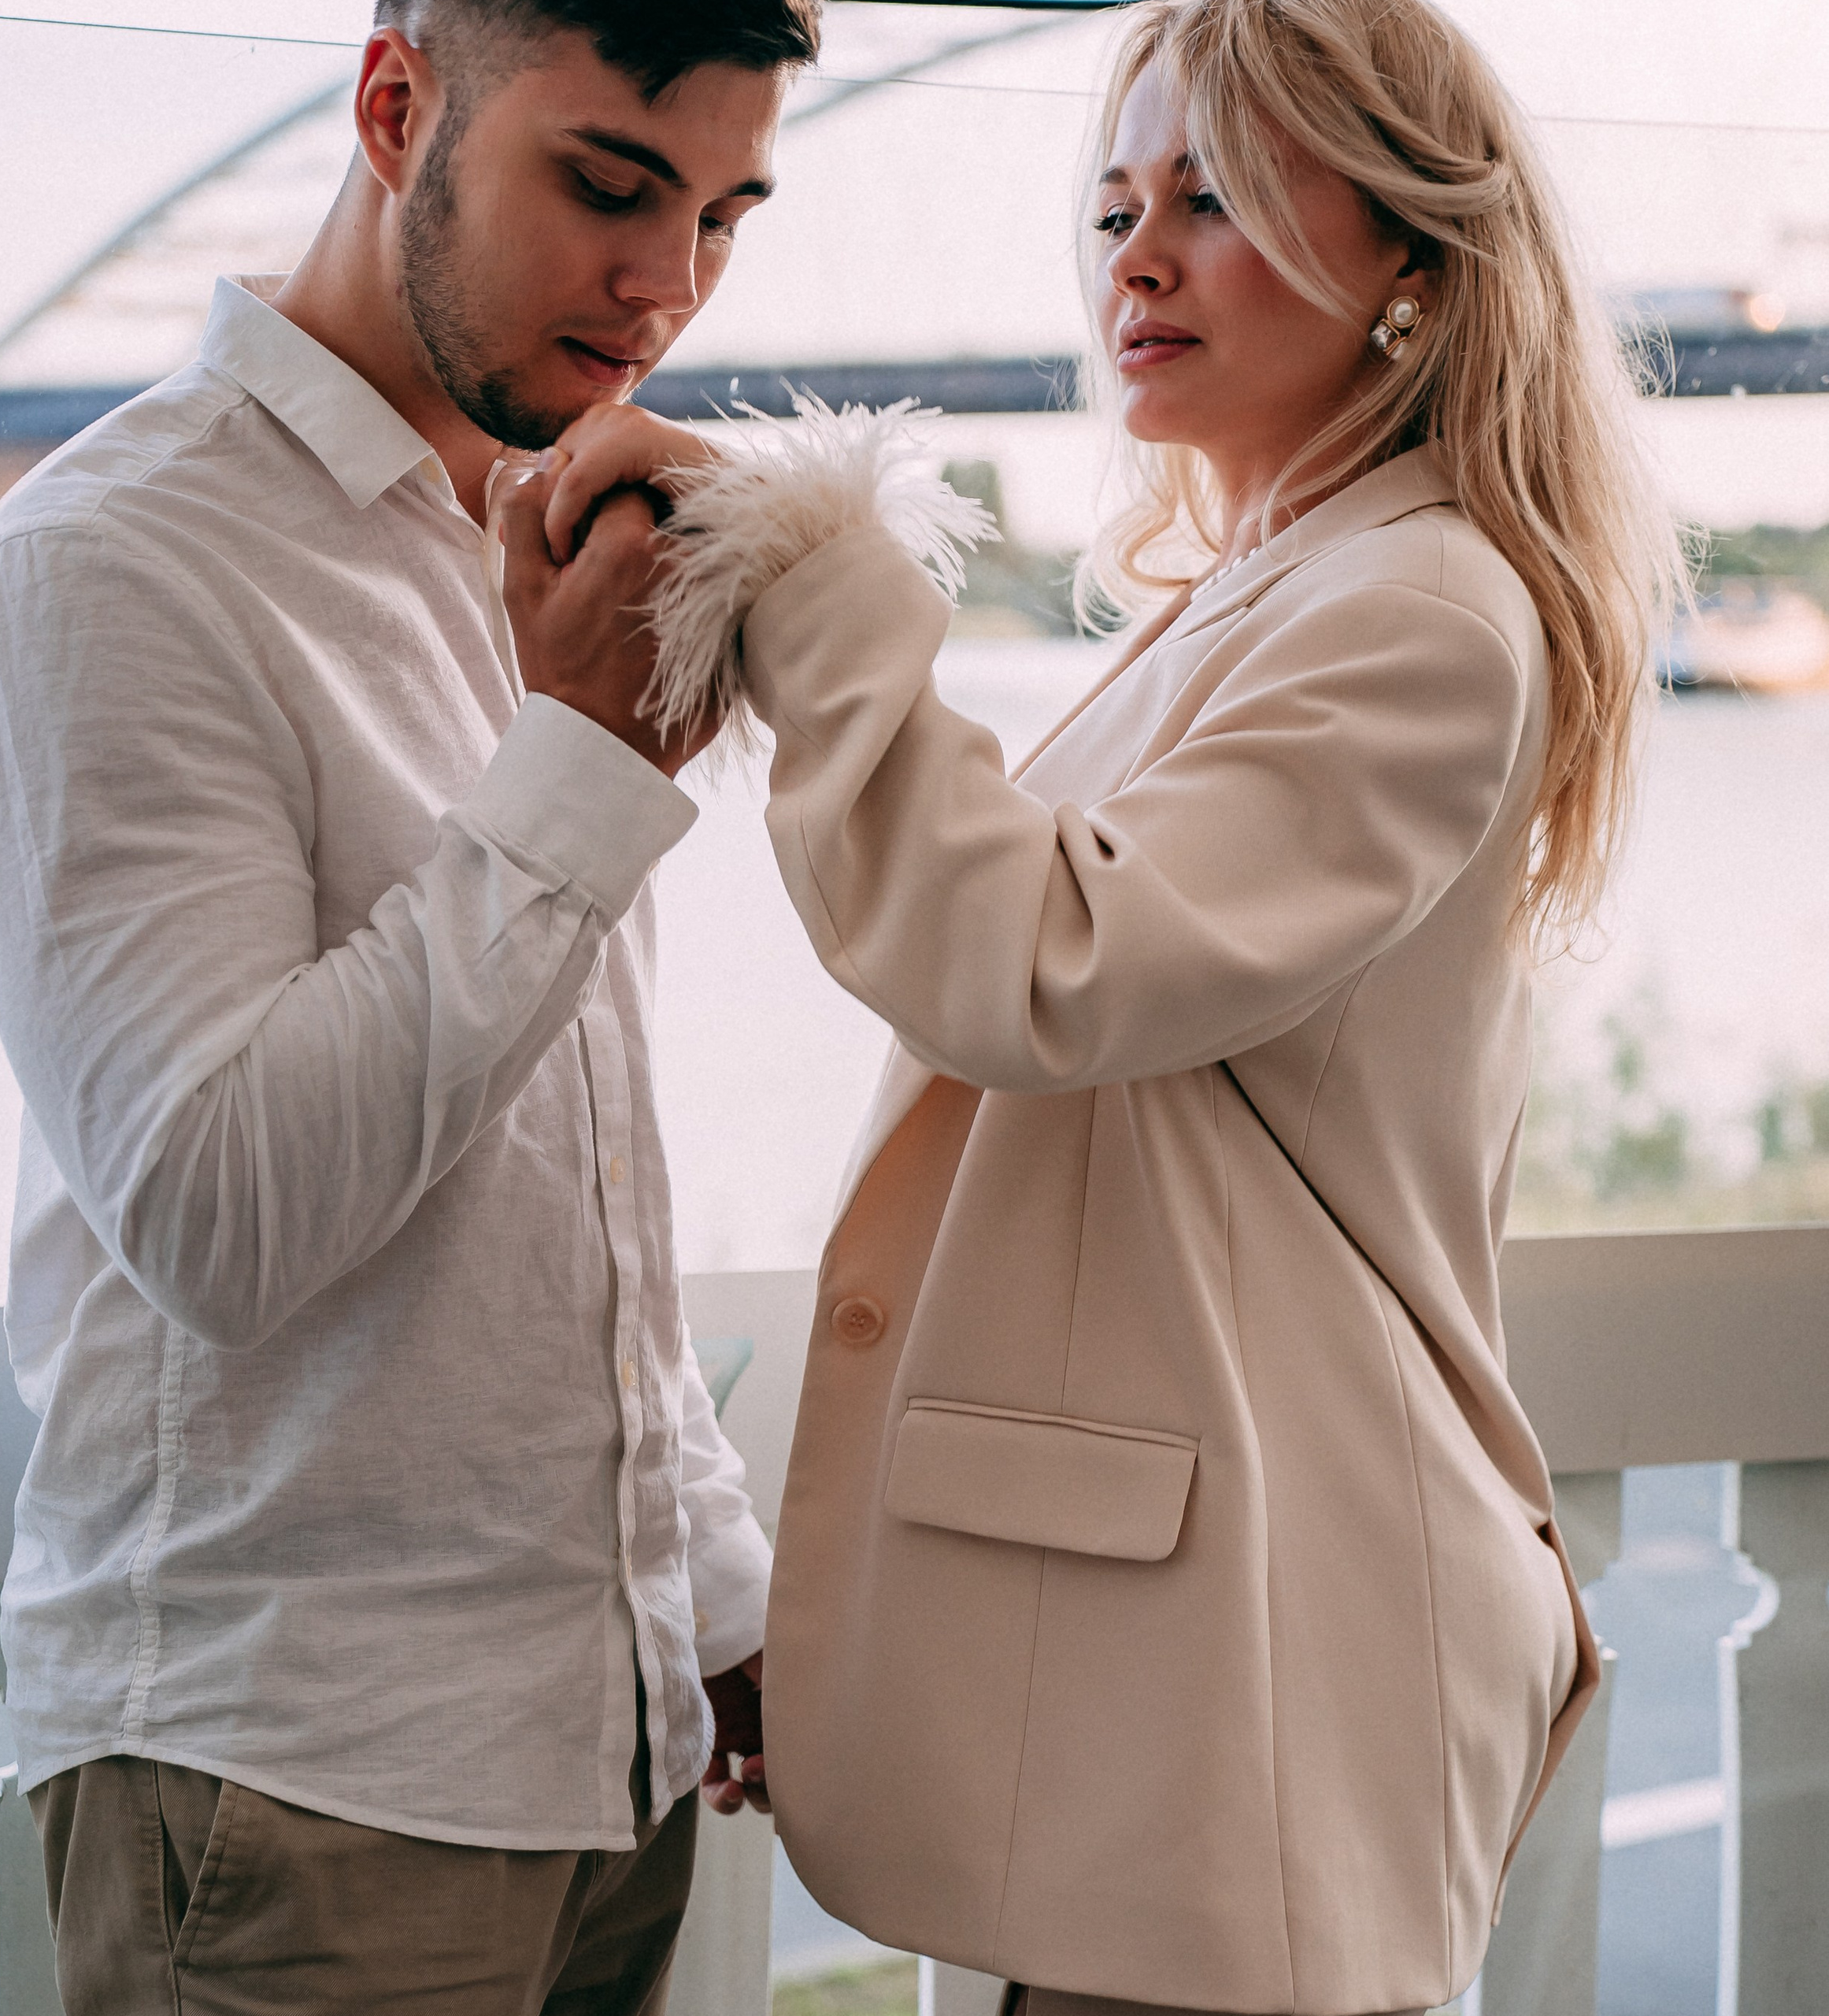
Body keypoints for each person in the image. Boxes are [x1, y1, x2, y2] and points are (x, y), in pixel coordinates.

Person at [512, 0, 1684, 2008]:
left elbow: (1039, 960)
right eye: (1117, 205)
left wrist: (799, 562)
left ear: (1410, 259)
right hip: (1180, 1661)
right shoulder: (1288, 584)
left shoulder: (1415, 608)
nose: (1135, 258)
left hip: (1247, 1680)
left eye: (1211, 198)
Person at [0, 2, 817, 2010]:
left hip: (608, 1754)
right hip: (295, 1786)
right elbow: (215, 1211)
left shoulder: (536, 549)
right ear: (396, 105)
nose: (665, 285)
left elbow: (567, 1189)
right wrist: (586, 763)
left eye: (720, 215)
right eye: (606, 184)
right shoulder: (111, 559)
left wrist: (707, 1588)